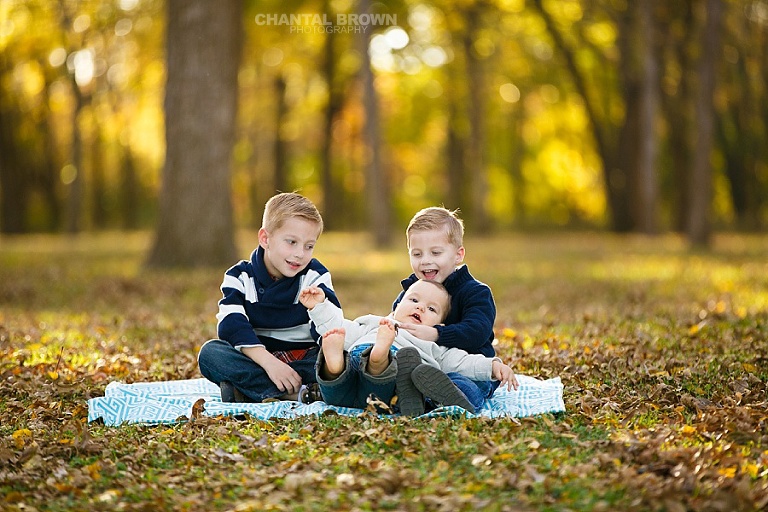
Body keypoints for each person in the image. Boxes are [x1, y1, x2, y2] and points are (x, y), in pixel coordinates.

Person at [197, 192, 341, 403]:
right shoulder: (239, 276)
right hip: (257, 359)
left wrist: (319, 307)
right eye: (291, 242)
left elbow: (332, 331)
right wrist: (270, 364)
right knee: (211, 354)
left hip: (303, 360)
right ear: (265, 239)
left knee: (341, 359)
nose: (300, 253)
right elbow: (231, 325)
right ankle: (292, 393)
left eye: (309, 246)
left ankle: (251, 389)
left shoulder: (315, 276)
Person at [299, 279, 518, 416]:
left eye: (431, 309)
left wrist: (493, 367)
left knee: (366, 375)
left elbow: (463, 362)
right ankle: (341, 360)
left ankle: (363, 360)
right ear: (397, 307)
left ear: (439, 325)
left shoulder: (434, 344)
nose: (421, 307)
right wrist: (319, 306)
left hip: (376, 390)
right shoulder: (375, 323)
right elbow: (339, 327)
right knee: (342, 349)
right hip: (357, 367)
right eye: (414, 300)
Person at [392, 207, 499, 410]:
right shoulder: (412, 292)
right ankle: (412, 398)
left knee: (466, 386)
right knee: (395, 375)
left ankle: (441, 398)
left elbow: (477, 332)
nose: (425, 260)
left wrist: (435, 334)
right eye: (417, 253)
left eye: (436, 252)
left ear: (458, 255)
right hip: (423, 365)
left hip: (471, 368)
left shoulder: (476, 292)